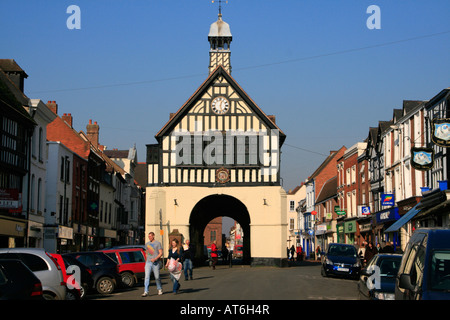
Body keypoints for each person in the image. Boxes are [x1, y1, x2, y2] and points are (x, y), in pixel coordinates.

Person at [142, 232, 163, 297]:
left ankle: (159, 289)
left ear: (153, 236)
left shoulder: (158, 243)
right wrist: (147, 260)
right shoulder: (147, 244)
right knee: (147, 277)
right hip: (148, 262)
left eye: (150, 236)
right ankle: (146, 291)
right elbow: (147, 252)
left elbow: (160, 253)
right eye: (148, 236)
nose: (149, 237)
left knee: (157, 277)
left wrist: (155, 258)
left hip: (155, 262)